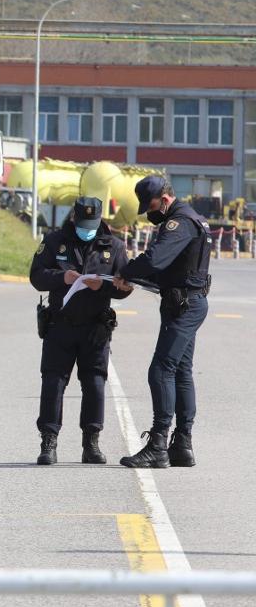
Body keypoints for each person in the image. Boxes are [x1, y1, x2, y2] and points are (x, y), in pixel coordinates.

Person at [114, 176, 212, 469]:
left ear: (165, 200)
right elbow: (170, 268)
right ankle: (182, 445)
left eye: (151, 206)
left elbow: (156, 259)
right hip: (187, 302)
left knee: (161, 369)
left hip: (184, 306)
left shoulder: (179, 222)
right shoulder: (194, 219)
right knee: (181, 371)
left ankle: (158, 444)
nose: (150, 213)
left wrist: (126, 271)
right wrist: (134, 277)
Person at [29, 197, 130, 465]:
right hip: (60, 325)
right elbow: (36, 276)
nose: (88, 229)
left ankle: (91, 443)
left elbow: (125, 287)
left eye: (92, 224)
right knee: (53, 382)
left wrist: (105, 287)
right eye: (83, 224)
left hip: (95, 327)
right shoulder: (54, 242)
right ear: (74, 218)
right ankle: (48, 442)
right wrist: (61, 278)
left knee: (95, 383)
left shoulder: (114, 246)